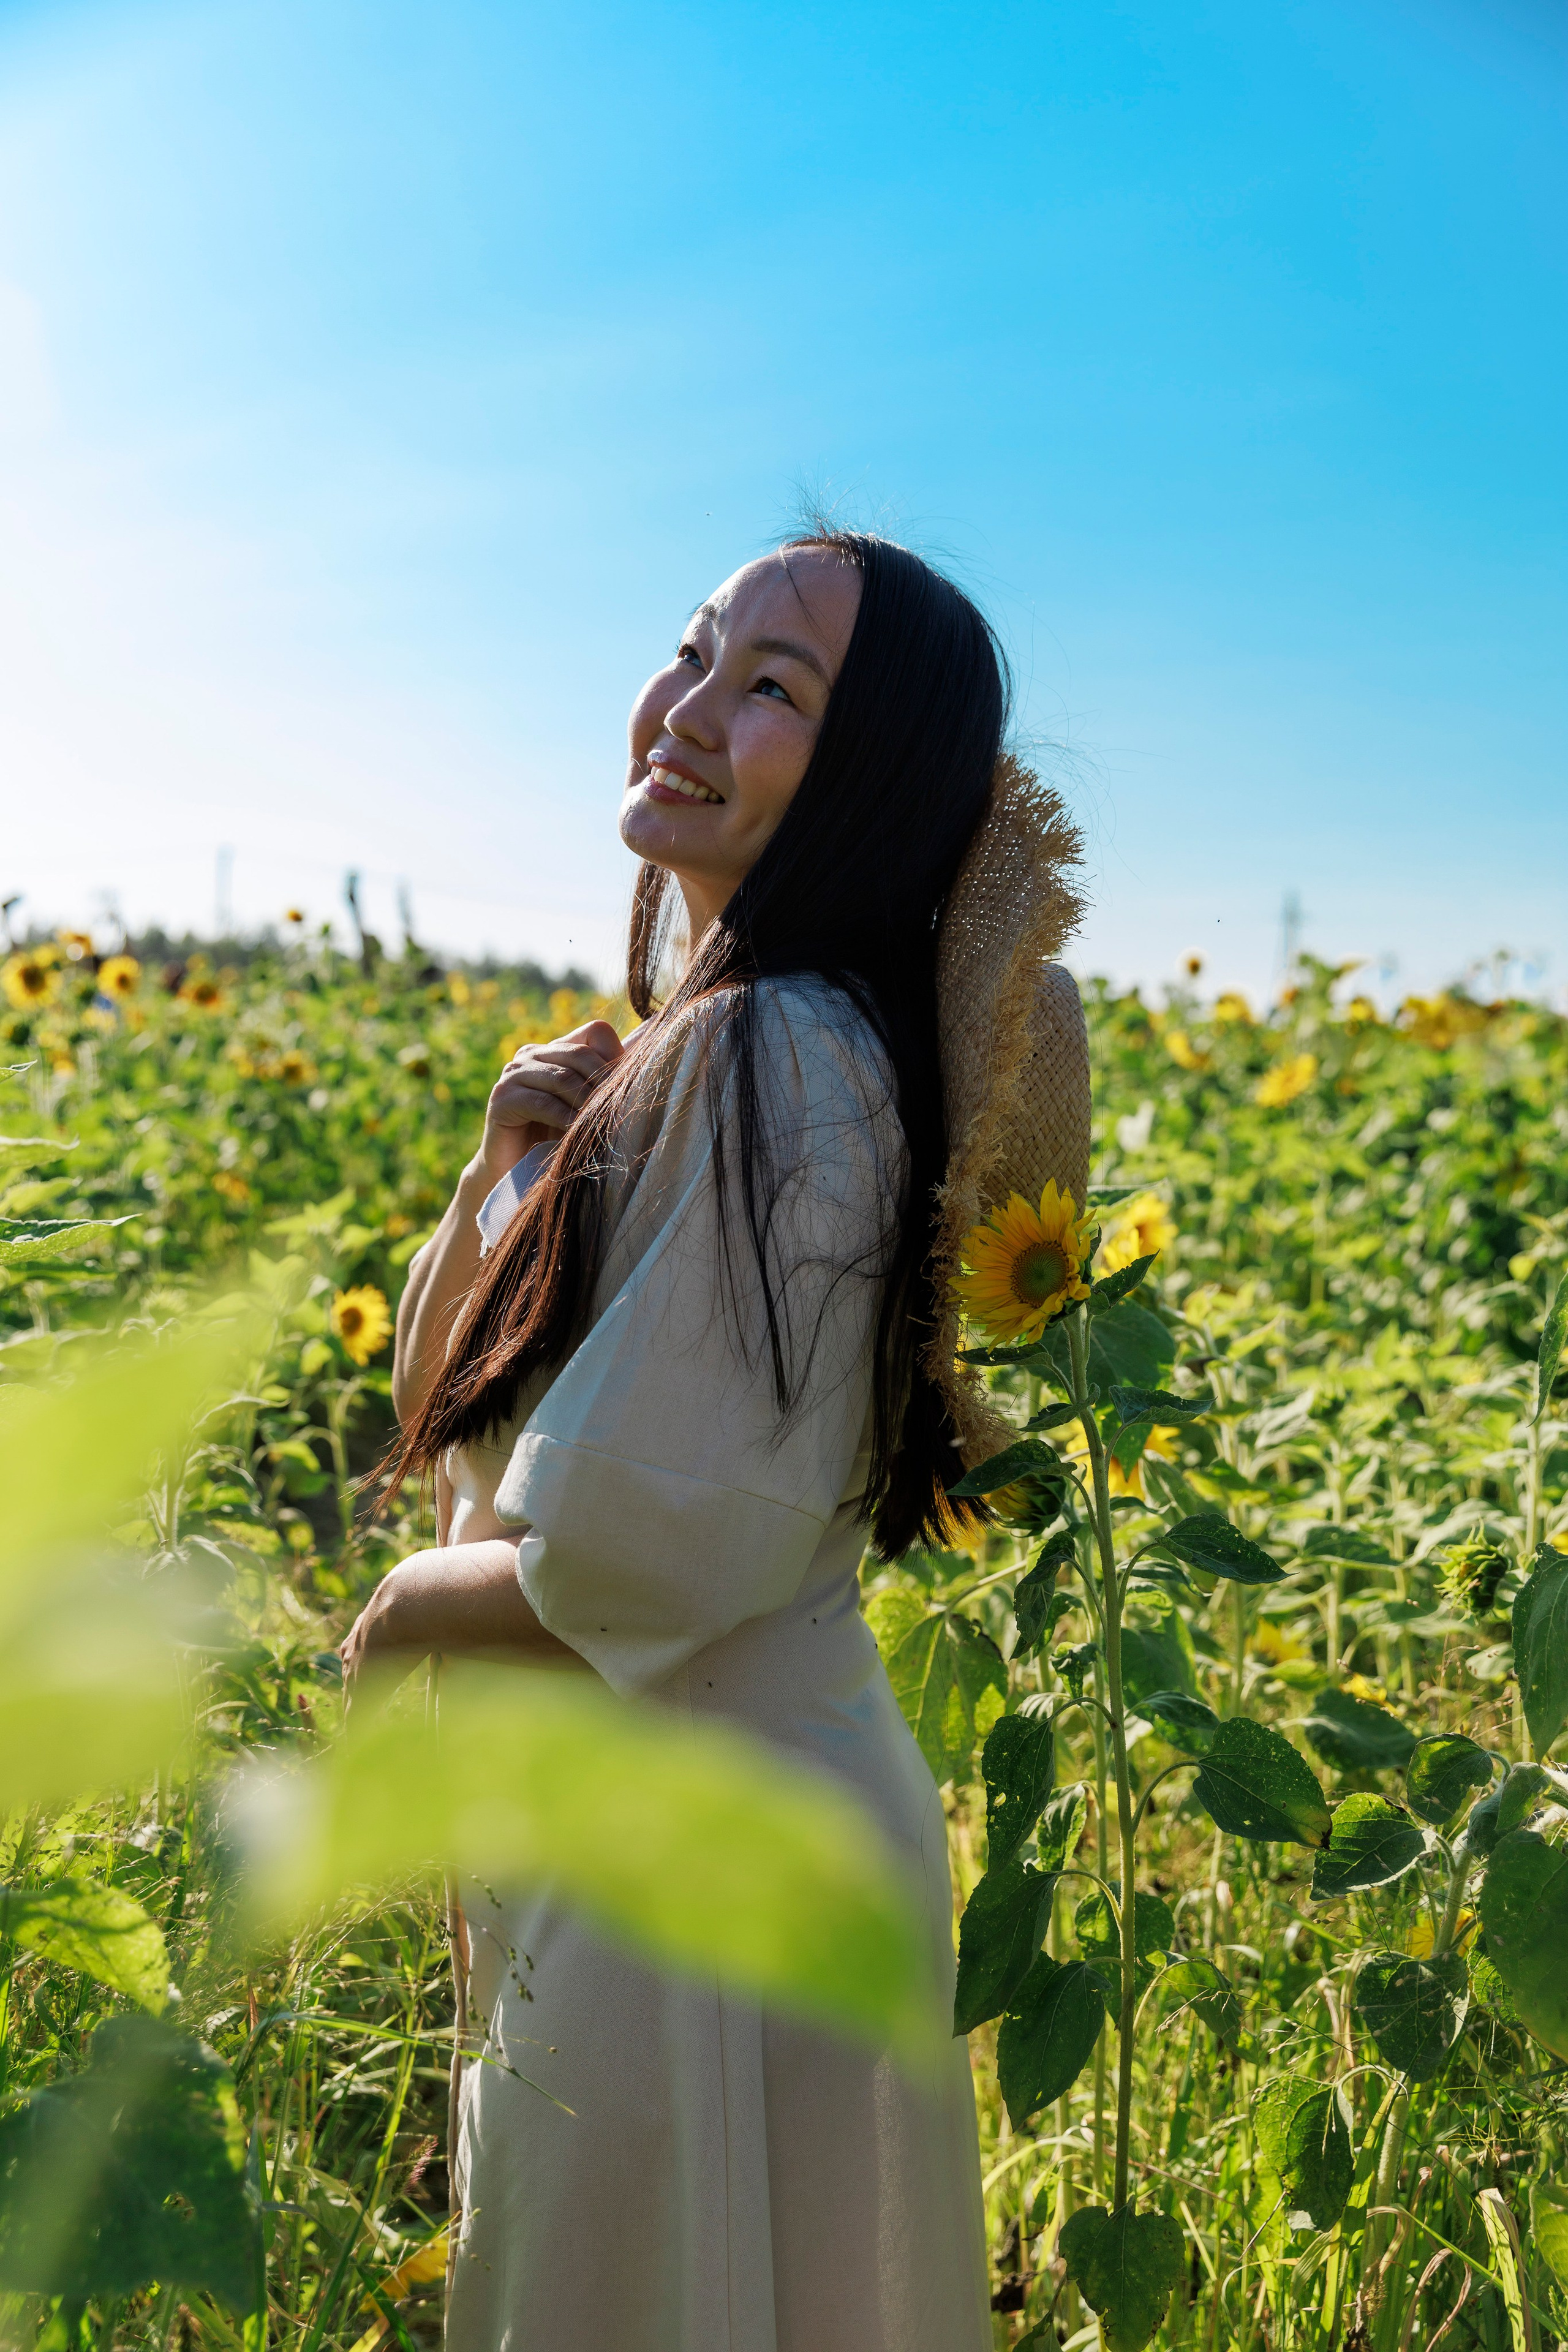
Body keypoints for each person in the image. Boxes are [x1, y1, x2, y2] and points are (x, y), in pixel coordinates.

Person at [338, 527, 1085, 2351]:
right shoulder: (712, 1048)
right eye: (694, 652)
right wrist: (512, 1164)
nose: (690, 709)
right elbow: (458, 1415)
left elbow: (646, 1542)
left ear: (872, 781)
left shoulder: (782, 1059)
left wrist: (394, 1623)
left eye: (776, 689)